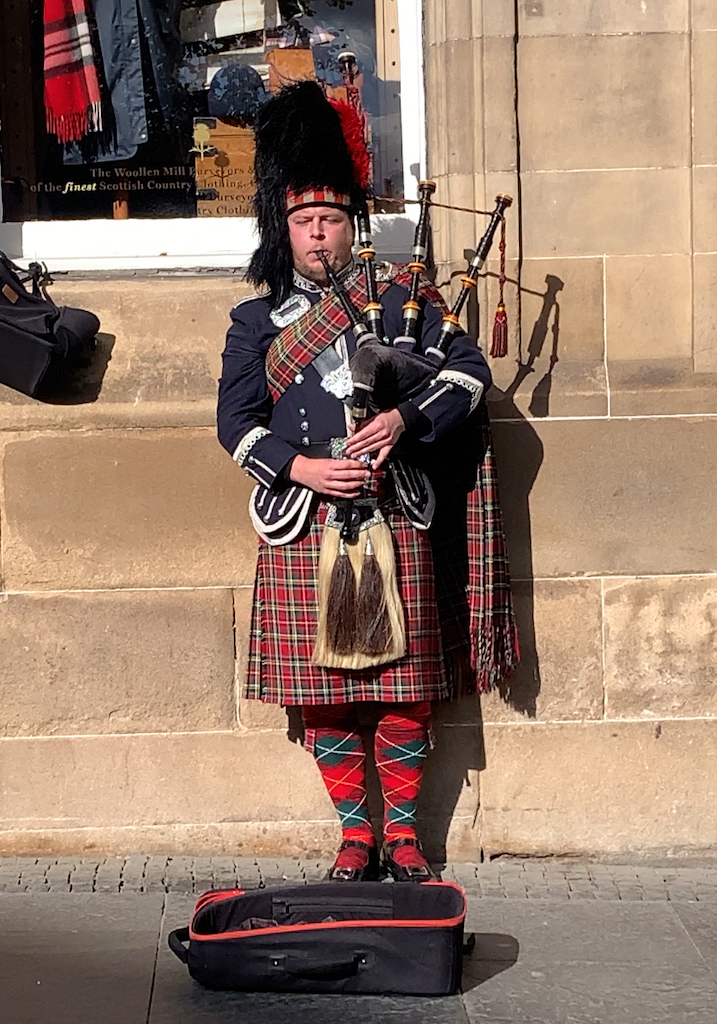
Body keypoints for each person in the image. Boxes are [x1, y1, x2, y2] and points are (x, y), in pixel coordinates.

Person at [217, 82, 518, 882]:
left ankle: (406, 839)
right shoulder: (256, 322)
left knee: (405, 686)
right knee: (323, 696)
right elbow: (234, 425)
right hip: (304, 515)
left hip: (393, 507)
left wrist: (403, 423)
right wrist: (303, 465)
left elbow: (466, 376)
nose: (320, 235)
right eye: (305, 223)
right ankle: (356, 837)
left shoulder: (401, 299)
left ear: (353, 226)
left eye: (333, 221)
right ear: (283, 232)